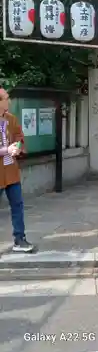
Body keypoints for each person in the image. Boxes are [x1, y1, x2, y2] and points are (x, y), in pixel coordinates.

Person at [0, 88, 34, 252]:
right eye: (6, 98)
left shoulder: (11, 119)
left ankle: (20, 238)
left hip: (11, 170)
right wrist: (6, 150)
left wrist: (18, 148)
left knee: (17, 204)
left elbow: (20, 137)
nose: (9, 101)